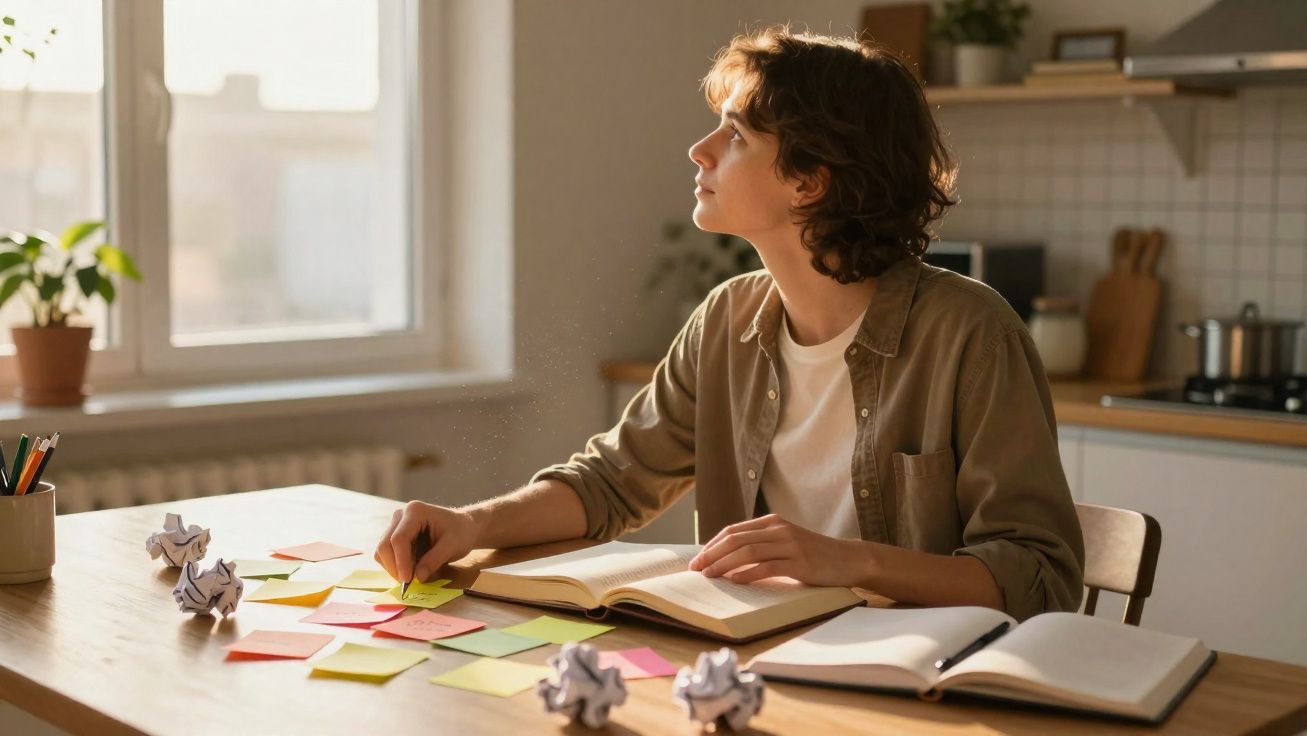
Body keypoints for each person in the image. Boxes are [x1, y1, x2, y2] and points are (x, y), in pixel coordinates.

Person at [375, 27, 1084, 622]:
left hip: (920, 686)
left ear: (810, 180)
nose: (700, 150)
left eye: (736, 134)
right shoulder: (726, 317)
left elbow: (1037, 576)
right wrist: (471, 524)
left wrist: (846, 562)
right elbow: (610, 483)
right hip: (760, 662)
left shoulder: (971, 333)